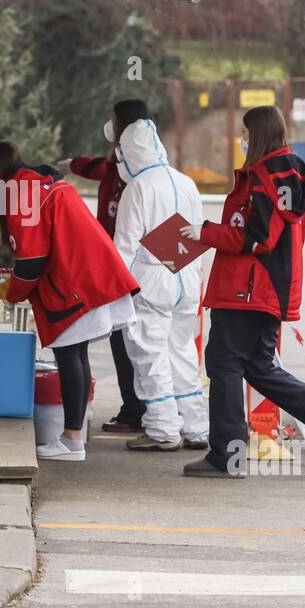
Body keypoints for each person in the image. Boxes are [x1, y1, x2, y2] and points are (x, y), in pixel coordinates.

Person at [180, 106, 305, 478]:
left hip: (249, 290)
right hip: (263, 289)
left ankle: (227, 456)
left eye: (244, 132)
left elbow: (258, 237)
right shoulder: (288, 172)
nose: (240, 139)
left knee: (224, 362)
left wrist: (206, 232)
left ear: (256, 134)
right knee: (258, 368)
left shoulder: (266, 175)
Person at [0, 141, 140, 462]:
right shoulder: (41, 184)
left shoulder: (21, 195)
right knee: (76, 356)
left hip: (73, 281)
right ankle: (73, 437)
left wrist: (13, 292)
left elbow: (31, 261)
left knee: (69, 357)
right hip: (89, 274)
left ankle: (71, 440)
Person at [112, 119, 209, 452]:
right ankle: (196, 425)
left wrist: (114, 292)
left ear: (129, 153)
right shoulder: (186, 183)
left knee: (149, 354)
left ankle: (163, 427)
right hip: (187, 279)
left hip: (151, 282)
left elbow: (123, 247)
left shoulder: (137, 189)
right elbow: (198, 234)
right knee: (181, 352)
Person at [57, 98, 149, 433]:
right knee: (121, 339)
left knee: (130, 341)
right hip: (119, 266)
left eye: (113, 119)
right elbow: (101, 168)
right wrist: (72, 164)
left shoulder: (139, 172)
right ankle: (137, 409)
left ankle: (140, 411)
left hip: (133, 269)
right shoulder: (120, 164)